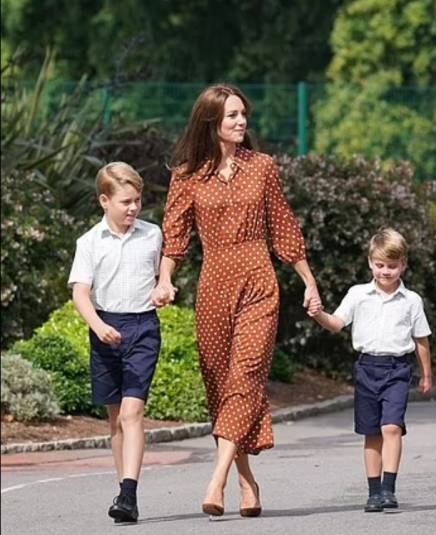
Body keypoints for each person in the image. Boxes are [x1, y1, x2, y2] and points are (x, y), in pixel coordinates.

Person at [153, 84, 322, 518]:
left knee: (246, 376)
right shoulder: (188, 173)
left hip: (258, 280)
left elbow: (283, 227)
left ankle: (217, 479)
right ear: (211, 121)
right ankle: (249, 484)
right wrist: (165, 280)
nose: (241, 121)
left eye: (243, 114)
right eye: (231, 116)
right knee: (223, 387)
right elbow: (175, 236)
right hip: (213, 286)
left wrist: (308, 282)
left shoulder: (262, 167)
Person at [309, 228, 433, 512]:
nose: (386, 271)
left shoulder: (411, 300)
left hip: (397, 369)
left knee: (391, 427)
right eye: (380, 265)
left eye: (392, 266)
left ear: (403, 265)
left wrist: (426, 375)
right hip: (367, 368)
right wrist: (318, 314)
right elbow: (337, 323)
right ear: (370, 263)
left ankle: (389, 489)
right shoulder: (358, 294)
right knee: (371, 433)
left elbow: (421, 339)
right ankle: (374, 492)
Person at [69, 162, 164, 523]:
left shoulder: (152, 235)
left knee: (132, 412)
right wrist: (97, 325)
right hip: (105, 328)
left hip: (142, 328)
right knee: (115, 421)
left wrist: (163, 287)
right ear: (104, 201)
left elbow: (161, 275)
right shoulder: (89, 242)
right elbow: (80, 293)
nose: (133, 208)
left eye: (138, 200)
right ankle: (123, 489)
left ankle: (128, 494)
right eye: (126, 201)